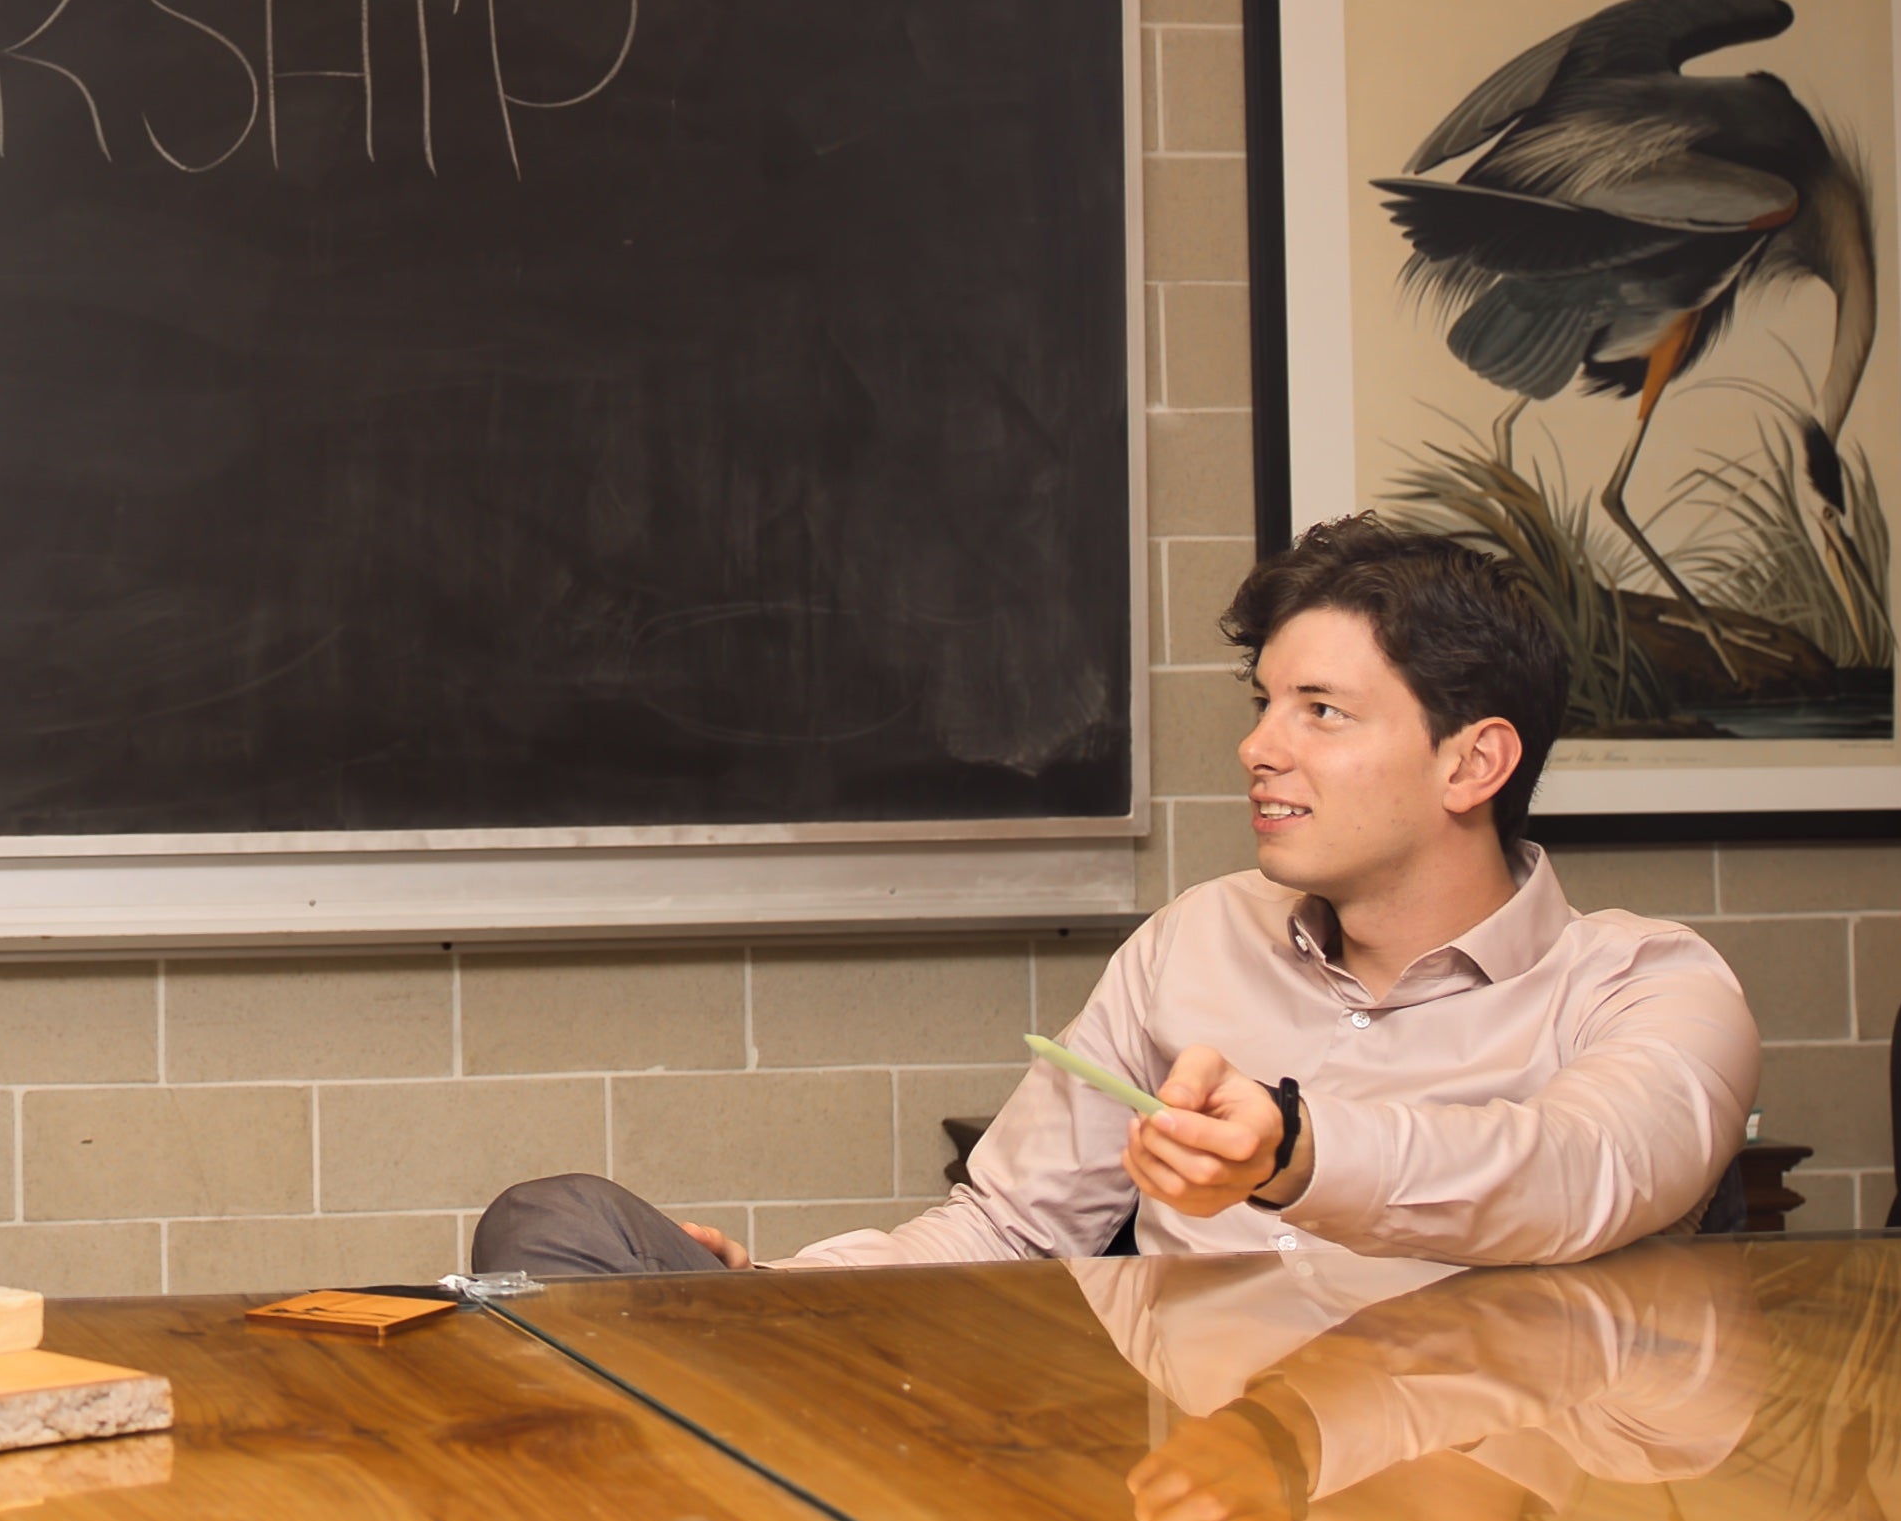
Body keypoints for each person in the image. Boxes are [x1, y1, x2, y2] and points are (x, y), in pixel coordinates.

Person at [469, 515, 1759, 1278]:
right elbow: (1014, 1233)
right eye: (1265, 706)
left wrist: (1292, 1148)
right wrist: (775, 1299)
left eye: (1322, 712)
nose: (1262, 749)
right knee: (555, 1231)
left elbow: (1574, 1173)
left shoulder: (1645, 987)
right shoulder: (1195, 942)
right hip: (1188, 1511)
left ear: (1474, 760)